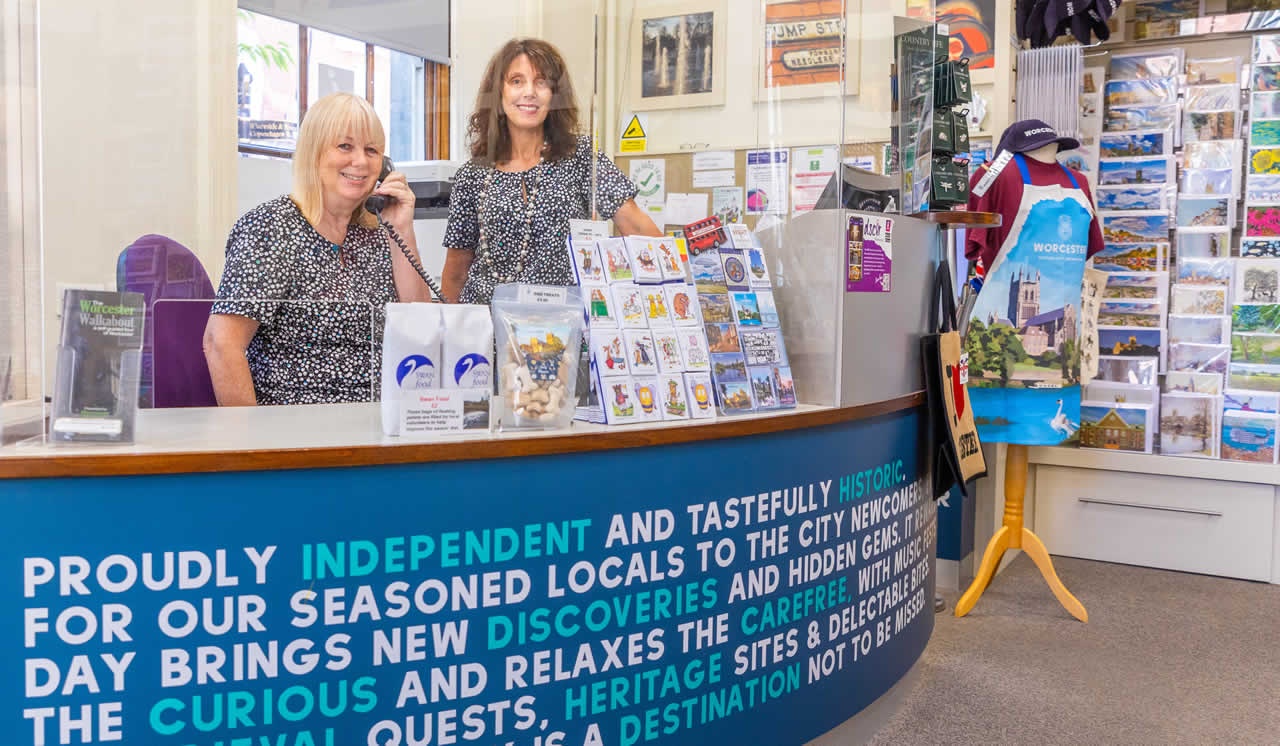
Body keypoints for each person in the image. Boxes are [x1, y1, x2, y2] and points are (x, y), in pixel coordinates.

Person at [204, 93, 432, 406]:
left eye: (372, 150)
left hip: (382, 422)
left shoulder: (377, 233)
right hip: (296, 432)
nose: (361, 162)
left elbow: (421, 328)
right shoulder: (272, 227)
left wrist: (402, 230)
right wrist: (250, 445)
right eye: (345, 146)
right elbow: (221, 343)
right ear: (314, 153)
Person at [441, 39, 661, 304]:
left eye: (541, 82)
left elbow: (637, 227)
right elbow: (456, 271)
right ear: (498, 92)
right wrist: (452, 334)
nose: (530, 92)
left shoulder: (580, 156)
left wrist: (680, 282)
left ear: (555, 95)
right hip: (486, 333)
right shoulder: (472, 174)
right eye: (516, 81)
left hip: (562, 329)